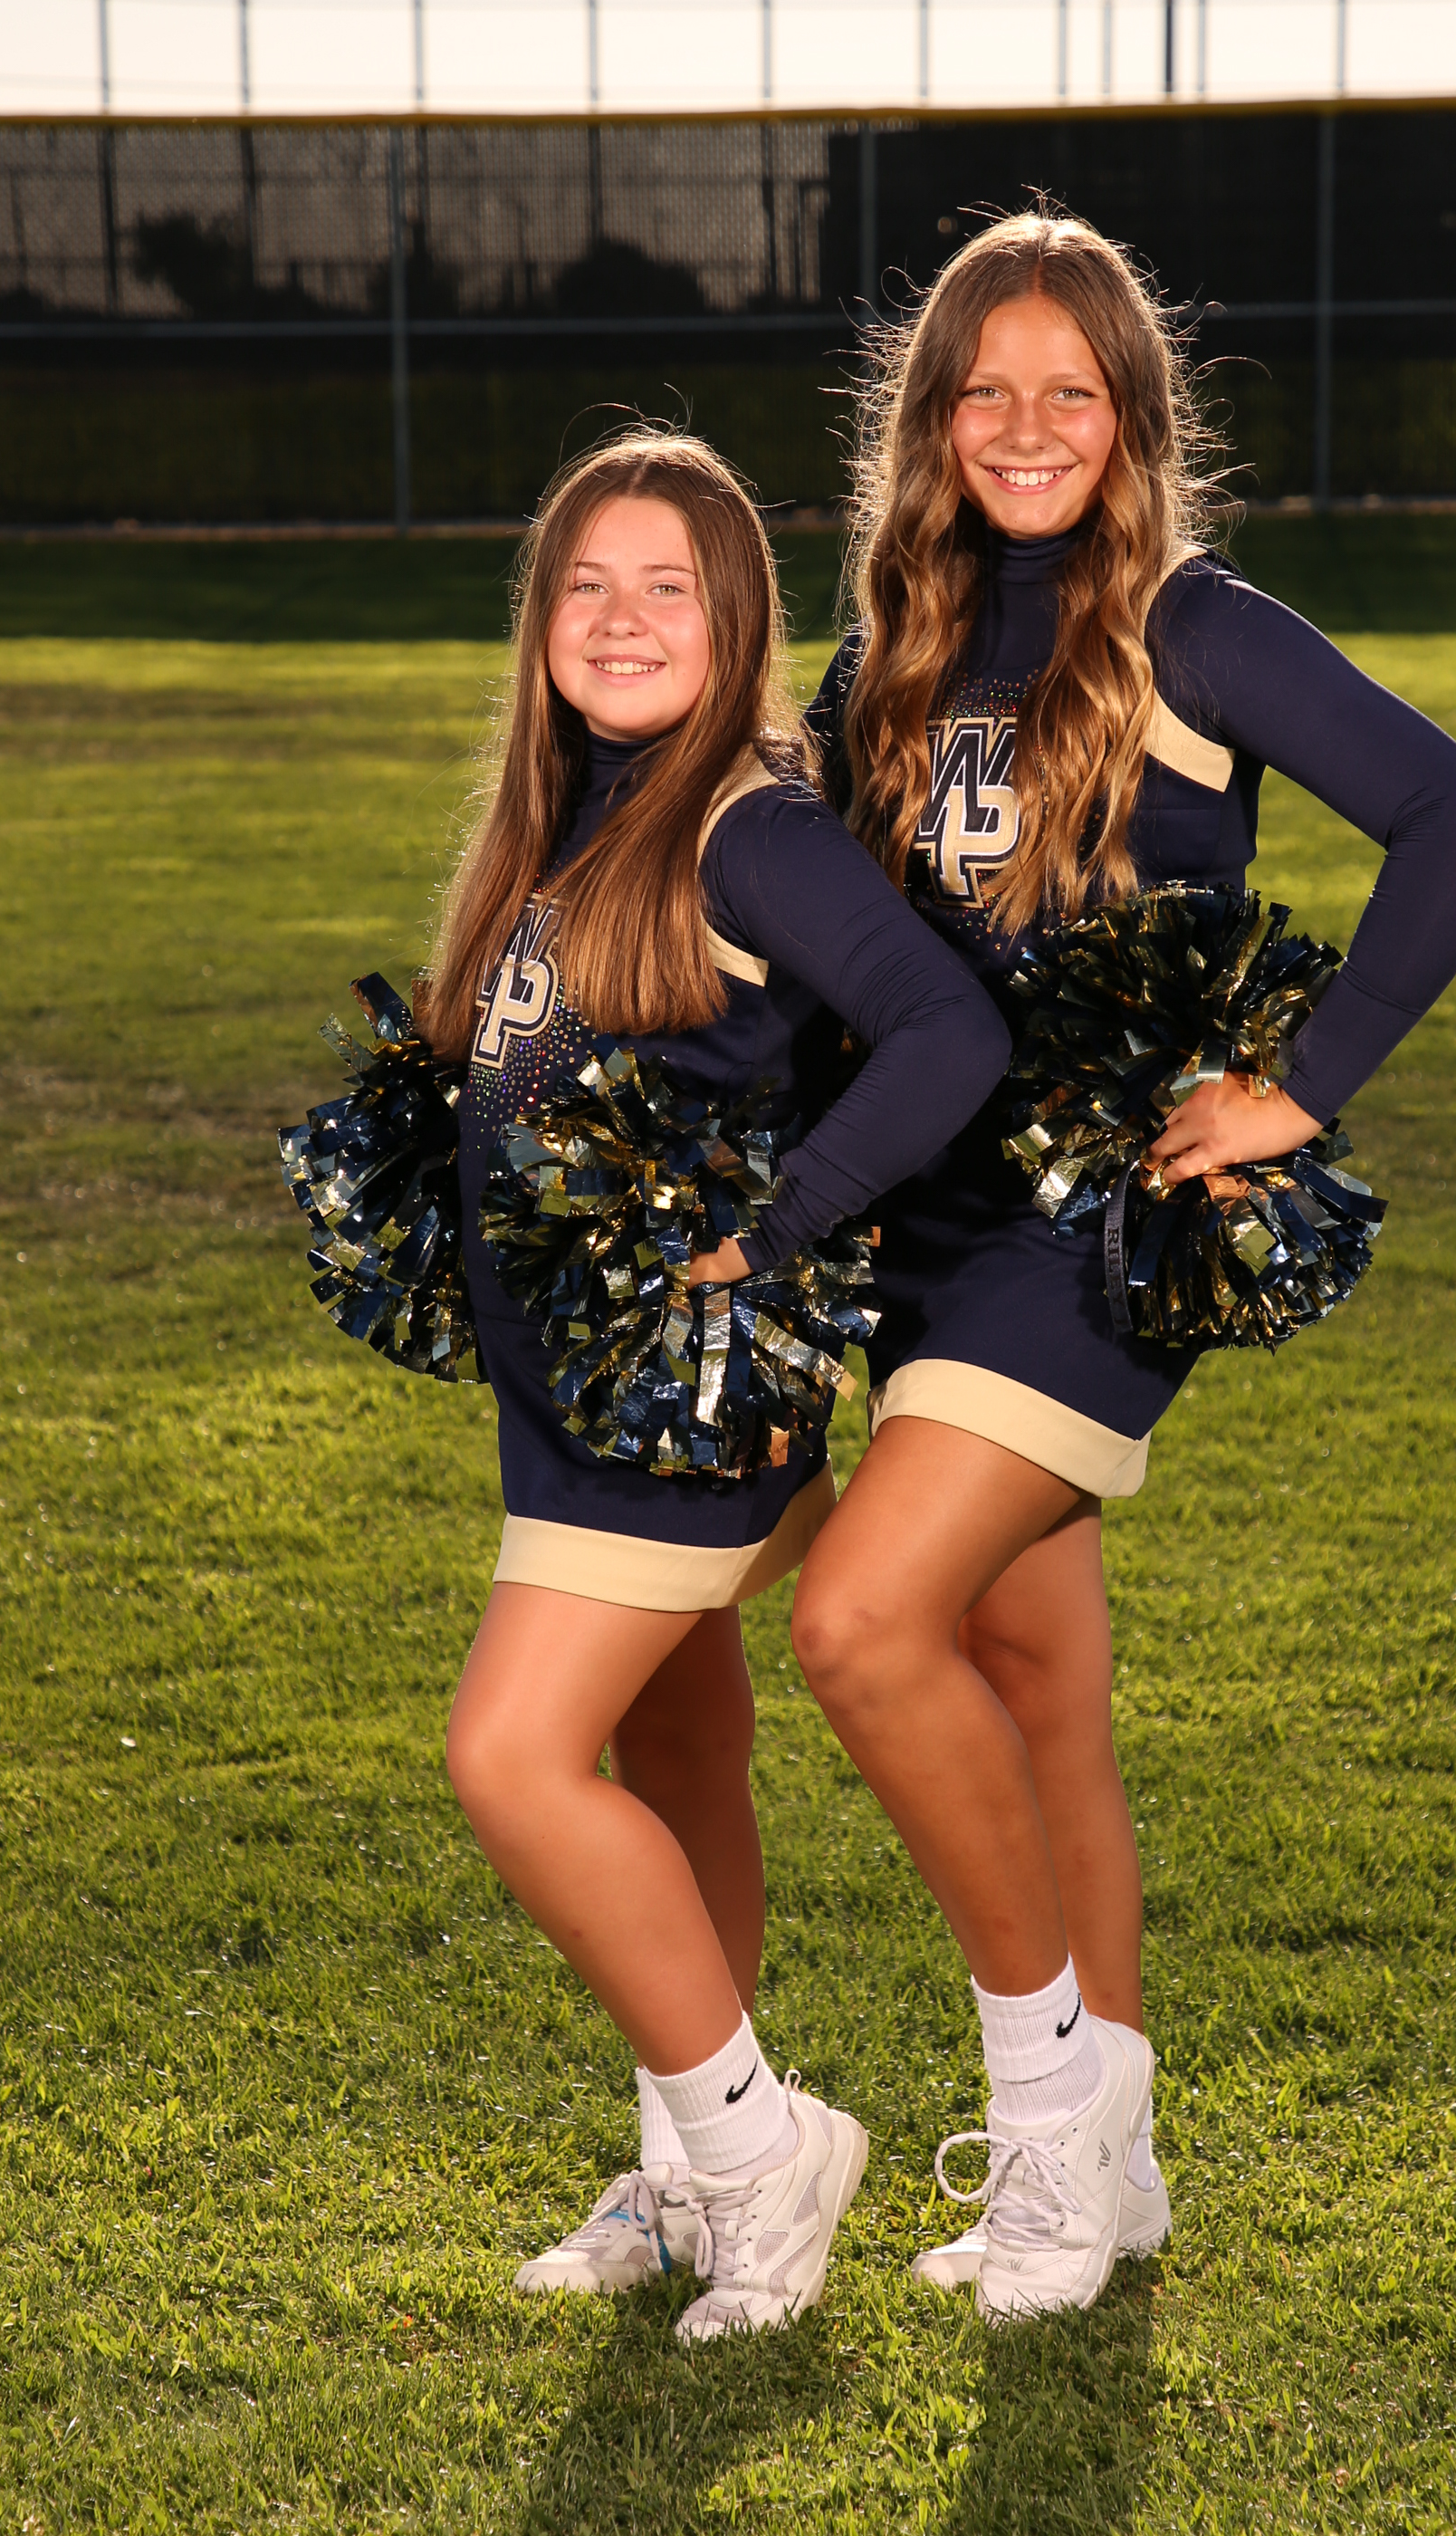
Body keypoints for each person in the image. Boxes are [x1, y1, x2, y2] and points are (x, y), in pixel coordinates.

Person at [792, 210, 1456, 2320]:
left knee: (858, 1620)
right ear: (933, 419)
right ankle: (1112, 2181)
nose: (1025, 426)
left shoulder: (1195, 627)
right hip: (923, 1234)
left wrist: (1305, 1085)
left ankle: (1050, 2121)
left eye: (1070, 390)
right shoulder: (889, 652)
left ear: (1130, 417)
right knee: (1032, 1688)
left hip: (1094, 1233)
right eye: (985, 390)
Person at [423, 431, 1010, 2341]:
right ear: (540, 618)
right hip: (569, 1409)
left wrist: (783, 1223)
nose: (620, 619)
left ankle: (764, 2155)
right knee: (677, 1750)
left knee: (512, 1756)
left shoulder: (744, 826)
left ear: (734, 618)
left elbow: (944, 1027)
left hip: (672, 1416)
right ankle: (685, 2175)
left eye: (665, 586)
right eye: (586, 583)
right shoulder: (564, 816)